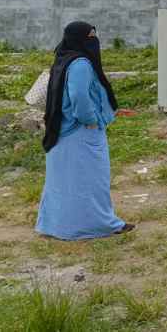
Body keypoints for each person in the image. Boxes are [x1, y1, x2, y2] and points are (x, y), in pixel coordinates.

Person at [36, 22, 133, 240]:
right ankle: (99, 225)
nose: (94, 41)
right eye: (90, 37)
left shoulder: (64, 59)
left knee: (64, 183)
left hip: (61, 131)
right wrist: (90, 120)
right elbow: (79, 96)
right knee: (91, 181)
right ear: (80, 39)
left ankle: (57, 227)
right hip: (79, 132)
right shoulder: (81, 64)